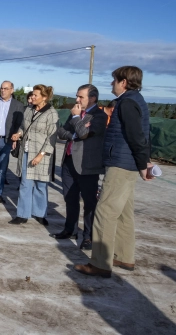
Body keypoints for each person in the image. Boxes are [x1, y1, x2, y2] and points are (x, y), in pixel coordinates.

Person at [75, 66, 152, 278]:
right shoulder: (137, 100)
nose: (112, 84)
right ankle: (123, 256)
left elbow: (136, 136)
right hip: (127, 163)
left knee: (105, 212)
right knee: (124, 212)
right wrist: (143, 162)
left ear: (124, 82)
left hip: (120, 163)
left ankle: (100, 263)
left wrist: (143, 163)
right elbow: (144, 133)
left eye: (114, 80)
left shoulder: (127, 103)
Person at [52, 84, 107, 250]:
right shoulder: (76, 112)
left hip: (87, 165)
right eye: (77, 96)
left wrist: (76, 121)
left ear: (92, 98)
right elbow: (62, 132)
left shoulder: (99, 116)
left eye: (80, 97)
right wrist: (75, 133)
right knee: (70, 197)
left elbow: (85, 134)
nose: (76, 100)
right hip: (69, 162)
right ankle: (70, 229)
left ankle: (89, 236)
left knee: (89, 202)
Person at [9, 84, 59, 225]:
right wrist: (18, 134)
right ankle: (22, 214)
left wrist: (40, 155)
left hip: (41, 154)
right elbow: (23, 127)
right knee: (25, 183)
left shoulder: (51, 114)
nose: (32, 97)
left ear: (44, 98)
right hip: (26, 151)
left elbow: (52, 137)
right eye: (32, 94)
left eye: (36, 95)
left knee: (40, 184)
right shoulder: (29, 110)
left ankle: (40, 213)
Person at [0, 81, 24, 204]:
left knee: (2, 170)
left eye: (6, 89)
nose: (3, 91)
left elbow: (20, 125)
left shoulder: (18, 106)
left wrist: (16, 139)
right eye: (1, 88)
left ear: (12, 90)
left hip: (6, 141)